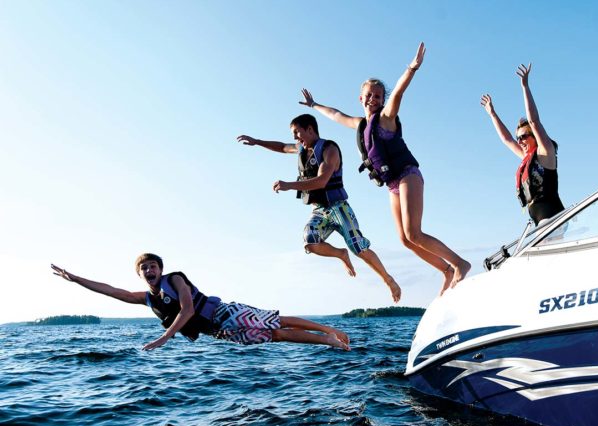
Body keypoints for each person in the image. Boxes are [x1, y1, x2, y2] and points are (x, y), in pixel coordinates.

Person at [299, 42, 470, 296]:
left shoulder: (386, 118)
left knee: (414, 232)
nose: (372, 99)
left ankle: (459, 264)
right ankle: (445, 271)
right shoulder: (359, 124)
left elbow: (398, 93)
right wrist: (314, 106)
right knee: (405, 239)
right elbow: (336, 115)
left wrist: (411, 69)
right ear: (361, 98)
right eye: (368, 95)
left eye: (377, 96)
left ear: (382, 101)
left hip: (407, 175)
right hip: (392, 185)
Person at [237, 114, 401, 302]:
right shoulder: (301, 149)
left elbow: (322, 181)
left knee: (359, 247)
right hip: (320, 210)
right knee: (310, 241)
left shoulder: (329, 150)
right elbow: (282, 147)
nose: (295, 138)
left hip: (339, 208)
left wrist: (289, 185)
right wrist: (257, 142)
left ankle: (389, 280)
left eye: (297, 133)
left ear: (310, 129)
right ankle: (341, 254)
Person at [51, 253, 350, 351]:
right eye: (144, 268)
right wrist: (76, 279)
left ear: (161, 269)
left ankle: (328, 329)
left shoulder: (175, 279)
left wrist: (165, 337)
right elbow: (109, 290)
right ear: (140, 275)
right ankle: (329, 341)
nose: (150, 270)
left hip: (225, 313)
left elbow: (188, 308)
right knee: (277, 336)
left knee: (277, 320)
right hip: (220, 332)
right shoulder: (145, 298)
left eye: (153, 265)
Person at [480, 63, 564, 226]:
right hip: (539, 220)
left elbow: (534, 121)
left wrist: (525, 86)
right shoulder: (527, 157)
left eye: (524, 137)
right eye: (519, 138)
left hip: (552, 219)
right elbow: (507, 140)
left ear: (535, 136)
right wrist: (492, 114)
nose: (520, 141)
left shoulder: (545, 153)